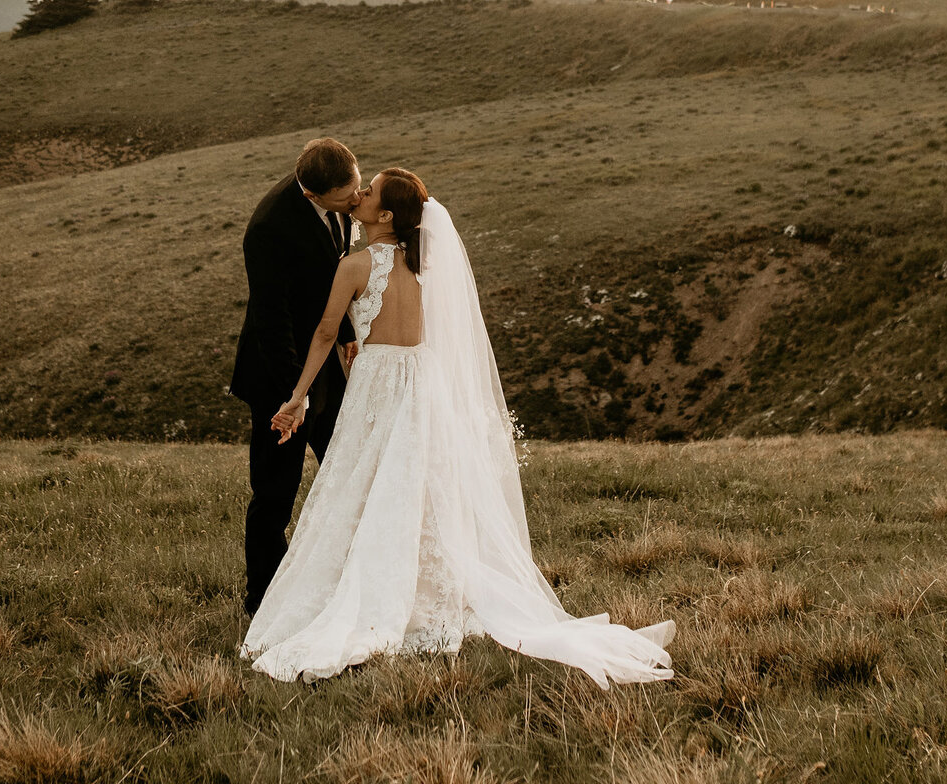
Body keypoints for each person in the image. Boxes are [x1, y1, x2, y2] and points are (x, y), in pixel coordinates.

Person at [240, 167, 675, 688]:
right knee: (420, 488)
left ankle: (367, 590)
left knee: (361, 485)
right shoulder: (428, 266)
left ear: (384, 215)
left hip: (377, 385)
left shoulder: (356, 265)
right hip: (422, 381)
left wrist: (296, 397)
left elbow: (325, 333)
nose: (359, 195)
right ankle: (426, 587)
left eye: (369, 192)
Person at [230, 137, 362, 614]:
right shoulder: (268, 229)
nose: (357, 201)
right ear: (313, 195)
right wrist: (295, 393)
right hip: (277, 376)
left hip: (325, 362)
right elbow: (273, 319)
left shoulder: (342, 196)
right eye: (347, 197)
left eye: (358, 188)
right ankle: (262, 600)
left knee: (348, 474)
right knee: (274, 494)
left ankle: (343, 583)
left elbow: (330, 275)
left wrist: (346, 329)